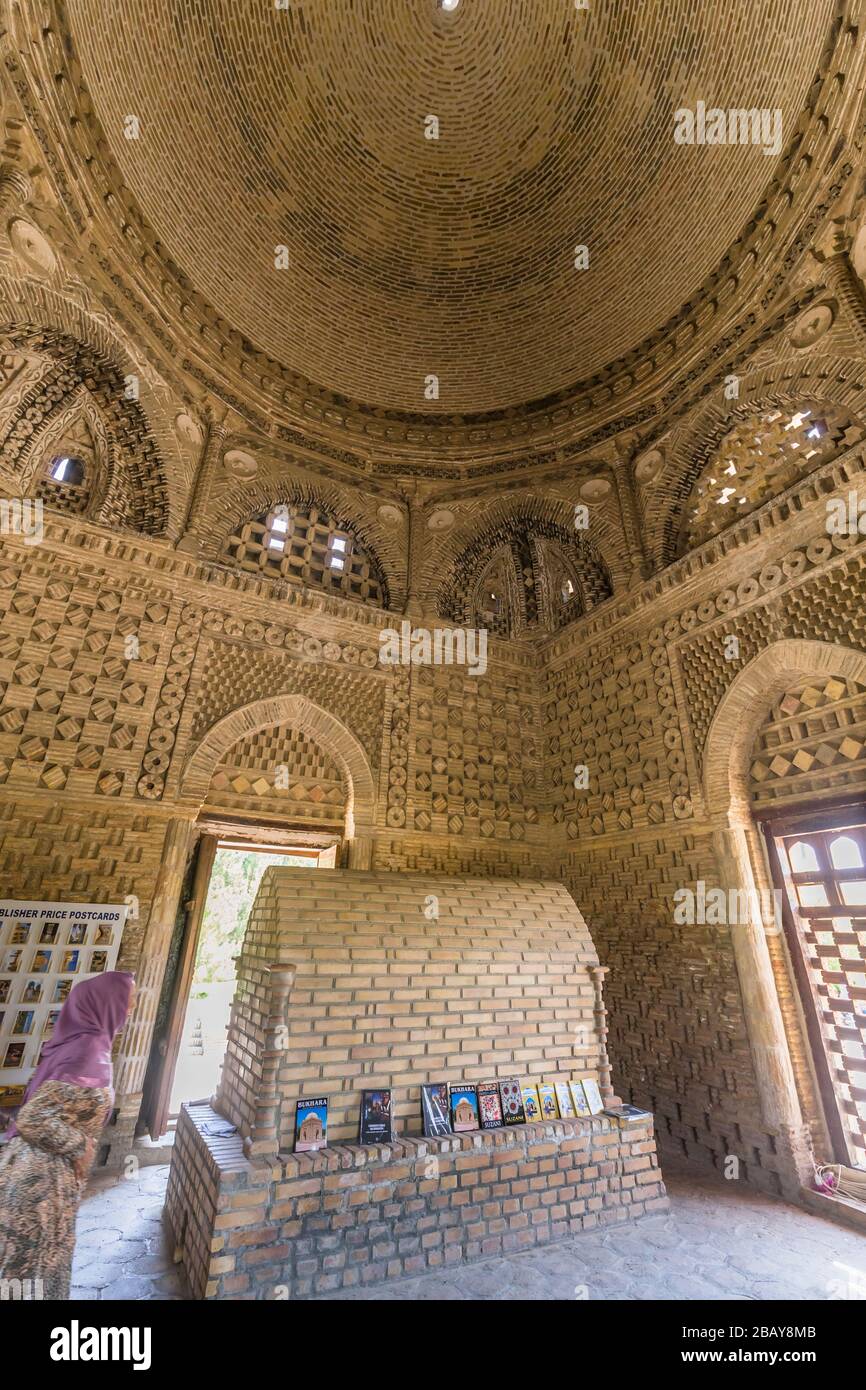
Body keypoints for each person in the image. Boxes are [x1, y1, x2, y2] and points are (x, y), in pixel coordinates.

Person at [0, 970, 135, 1299]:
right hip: (41, 1185)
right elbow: (34, 1117)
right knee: (29, 1277)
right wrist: (81, 1146)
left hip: (47, 1180)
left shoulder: (83, 1042)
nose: (130, 1009)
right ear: (105, 1003)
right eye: (127, 1001)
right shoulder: (87, 1049)